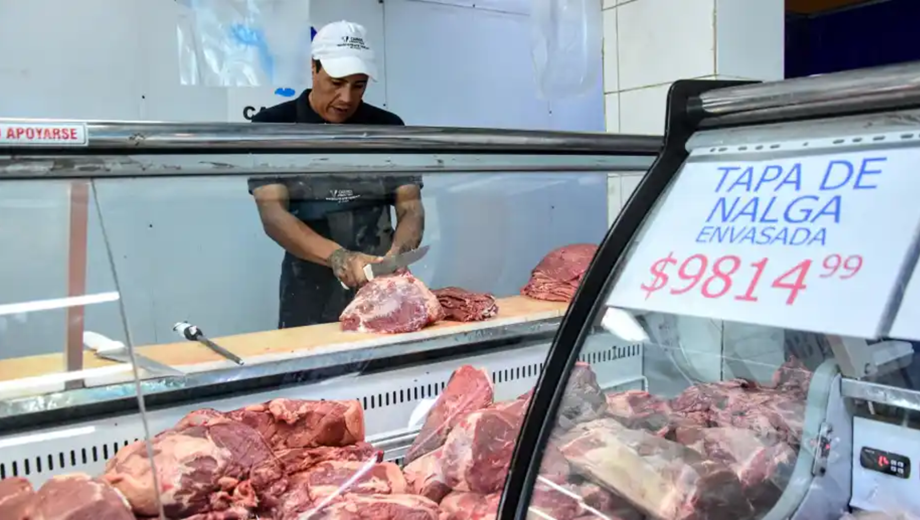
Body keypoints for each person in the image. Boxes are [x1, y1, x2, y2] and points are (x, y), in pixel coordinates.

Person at [248, 20, 425, 329]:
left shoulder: (388, 126)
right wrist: (340, 258)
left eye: (359, 85)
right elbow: (273, 214)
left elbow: (410, 205)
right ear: (314, 68)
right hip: (308, 285)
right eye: (336, 82)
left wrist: (398, 254)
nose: (346, 98)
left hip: (380, 280)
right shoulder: (274, 125)